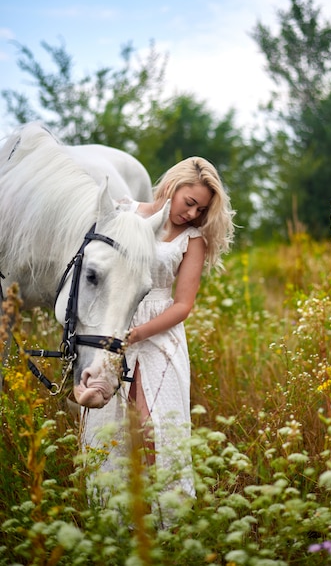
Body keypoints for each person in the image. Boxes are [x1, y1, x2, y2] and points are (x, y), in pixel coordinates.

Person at [81, 156, 235, 525]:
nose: (193, 213)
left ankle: (164, 519)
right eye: (190, 202)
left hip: (159, 336)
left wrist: (135, 335)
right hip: (113, 321)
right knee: (111, 423)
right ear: (173, 186)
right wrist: (114, 331)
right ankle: (116, 517)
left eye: (201, 209)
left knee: (153, 428)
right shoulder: (124, 212)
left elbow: (182, 304)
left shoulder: (191, 239)